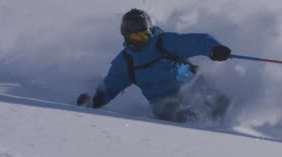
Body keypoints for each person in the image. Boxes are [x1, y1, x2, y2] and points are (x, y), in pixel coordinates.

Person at [77, 9, 232, 122]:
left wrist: (214, 49)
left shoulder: (165, 42)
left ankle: (232, 126)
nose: (141, 41)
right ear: (126, 36)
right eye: (136, 37)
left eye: (144, 35)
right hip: (165, 104)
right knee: (180, 118)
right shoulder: (126, 62)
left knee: (219, 103)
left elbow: (198, 42)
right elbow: (110, 86)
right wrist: (94, 100)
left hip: (193, 86)